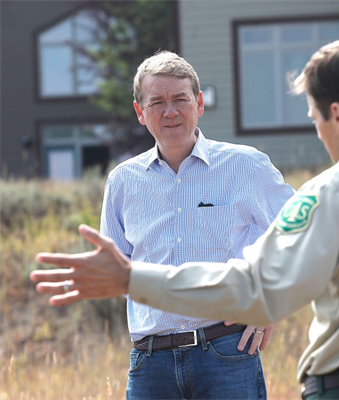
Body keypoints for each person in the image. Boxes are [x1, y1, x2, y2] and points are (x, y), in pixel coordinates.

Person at [31, 37, 339, 400]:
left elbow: (257, 289)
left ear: (337, 115)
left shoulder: (330, 193)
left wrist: (131, 278)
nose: (317, 131)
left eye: (315, 118)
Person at [95, 51, 294, 399]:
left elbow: (298, 237)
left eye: (180, 99)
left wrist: (272, 303)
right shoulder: (122, 182)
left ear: (199, 103)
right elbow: (115, 272)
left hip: (226, 353)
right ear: (140, 112)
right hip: (150, 362)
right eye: (156, 102)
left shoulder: (246, 166)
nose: (170, 111)